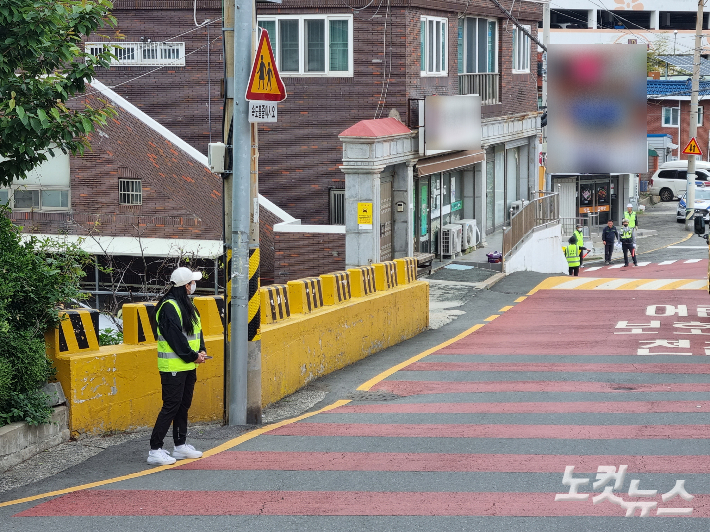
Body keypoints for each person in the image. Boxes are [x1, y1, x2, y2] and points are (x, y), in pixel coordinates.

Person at [147, 267, 207, 466]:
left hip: (189, 365)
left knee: (183, 405)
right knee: (171, 406)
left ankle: (180, 446)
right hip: (174, 366)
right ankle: (155, 449)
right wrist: (193, 356)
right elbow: (175, 339)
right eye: (191, 283)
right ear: (185, 286)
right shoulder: (169, 307)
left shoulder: (187, 304)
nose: (194, 286)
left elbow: (196, 332)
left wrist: (201, 351)